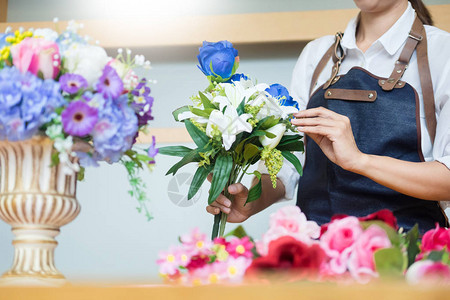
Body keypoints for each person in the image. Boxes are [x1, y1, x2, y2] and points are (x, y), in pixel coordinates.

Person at [206, 0, 450, 232]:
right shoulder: (316, 54)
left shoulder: (443, 53)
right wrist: (251, 202)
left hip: (407, 257)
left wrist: (359, 161)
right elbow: (285, 168)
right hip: (315, 256)